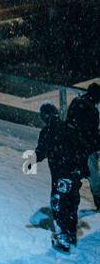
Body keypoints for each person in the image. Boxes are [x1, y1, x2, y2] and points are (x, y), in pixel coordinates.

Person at [34, 102, 87, 253]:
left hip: (61, 175)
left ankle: (63, 240)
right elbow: (82, 149)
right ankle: (70, 234)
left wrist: (30, 161)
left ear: (44, 116)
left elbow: (41, 152)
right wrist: (82, 169)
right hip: (74, 174)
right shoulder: (70, 128)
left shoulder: (48, 131)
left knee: (60, 205)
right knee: (72, 204)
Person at [66, 82, 100, 211]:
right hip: (86, 148)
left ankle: (69, 199)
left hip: (73, 146)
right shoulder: (92, 110)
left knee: (73, 174)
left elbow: (70, 122)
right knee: (93, 176)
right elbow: (92, 133)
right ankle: (98, 199)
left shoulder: (76, 101)